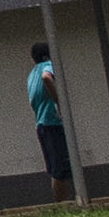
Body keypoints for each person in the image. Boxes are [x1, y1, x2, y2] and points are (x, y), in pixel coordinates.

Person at [24, 41, 70, 199]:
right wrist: (59, 101)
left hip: (41, 124)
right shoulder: (47, 66)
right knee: (60, 169)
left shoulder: (31, 76)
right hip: (53, 123)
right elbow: (46, 77)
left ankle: (61, 203)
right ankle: (62, 205)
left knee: (55, 168)